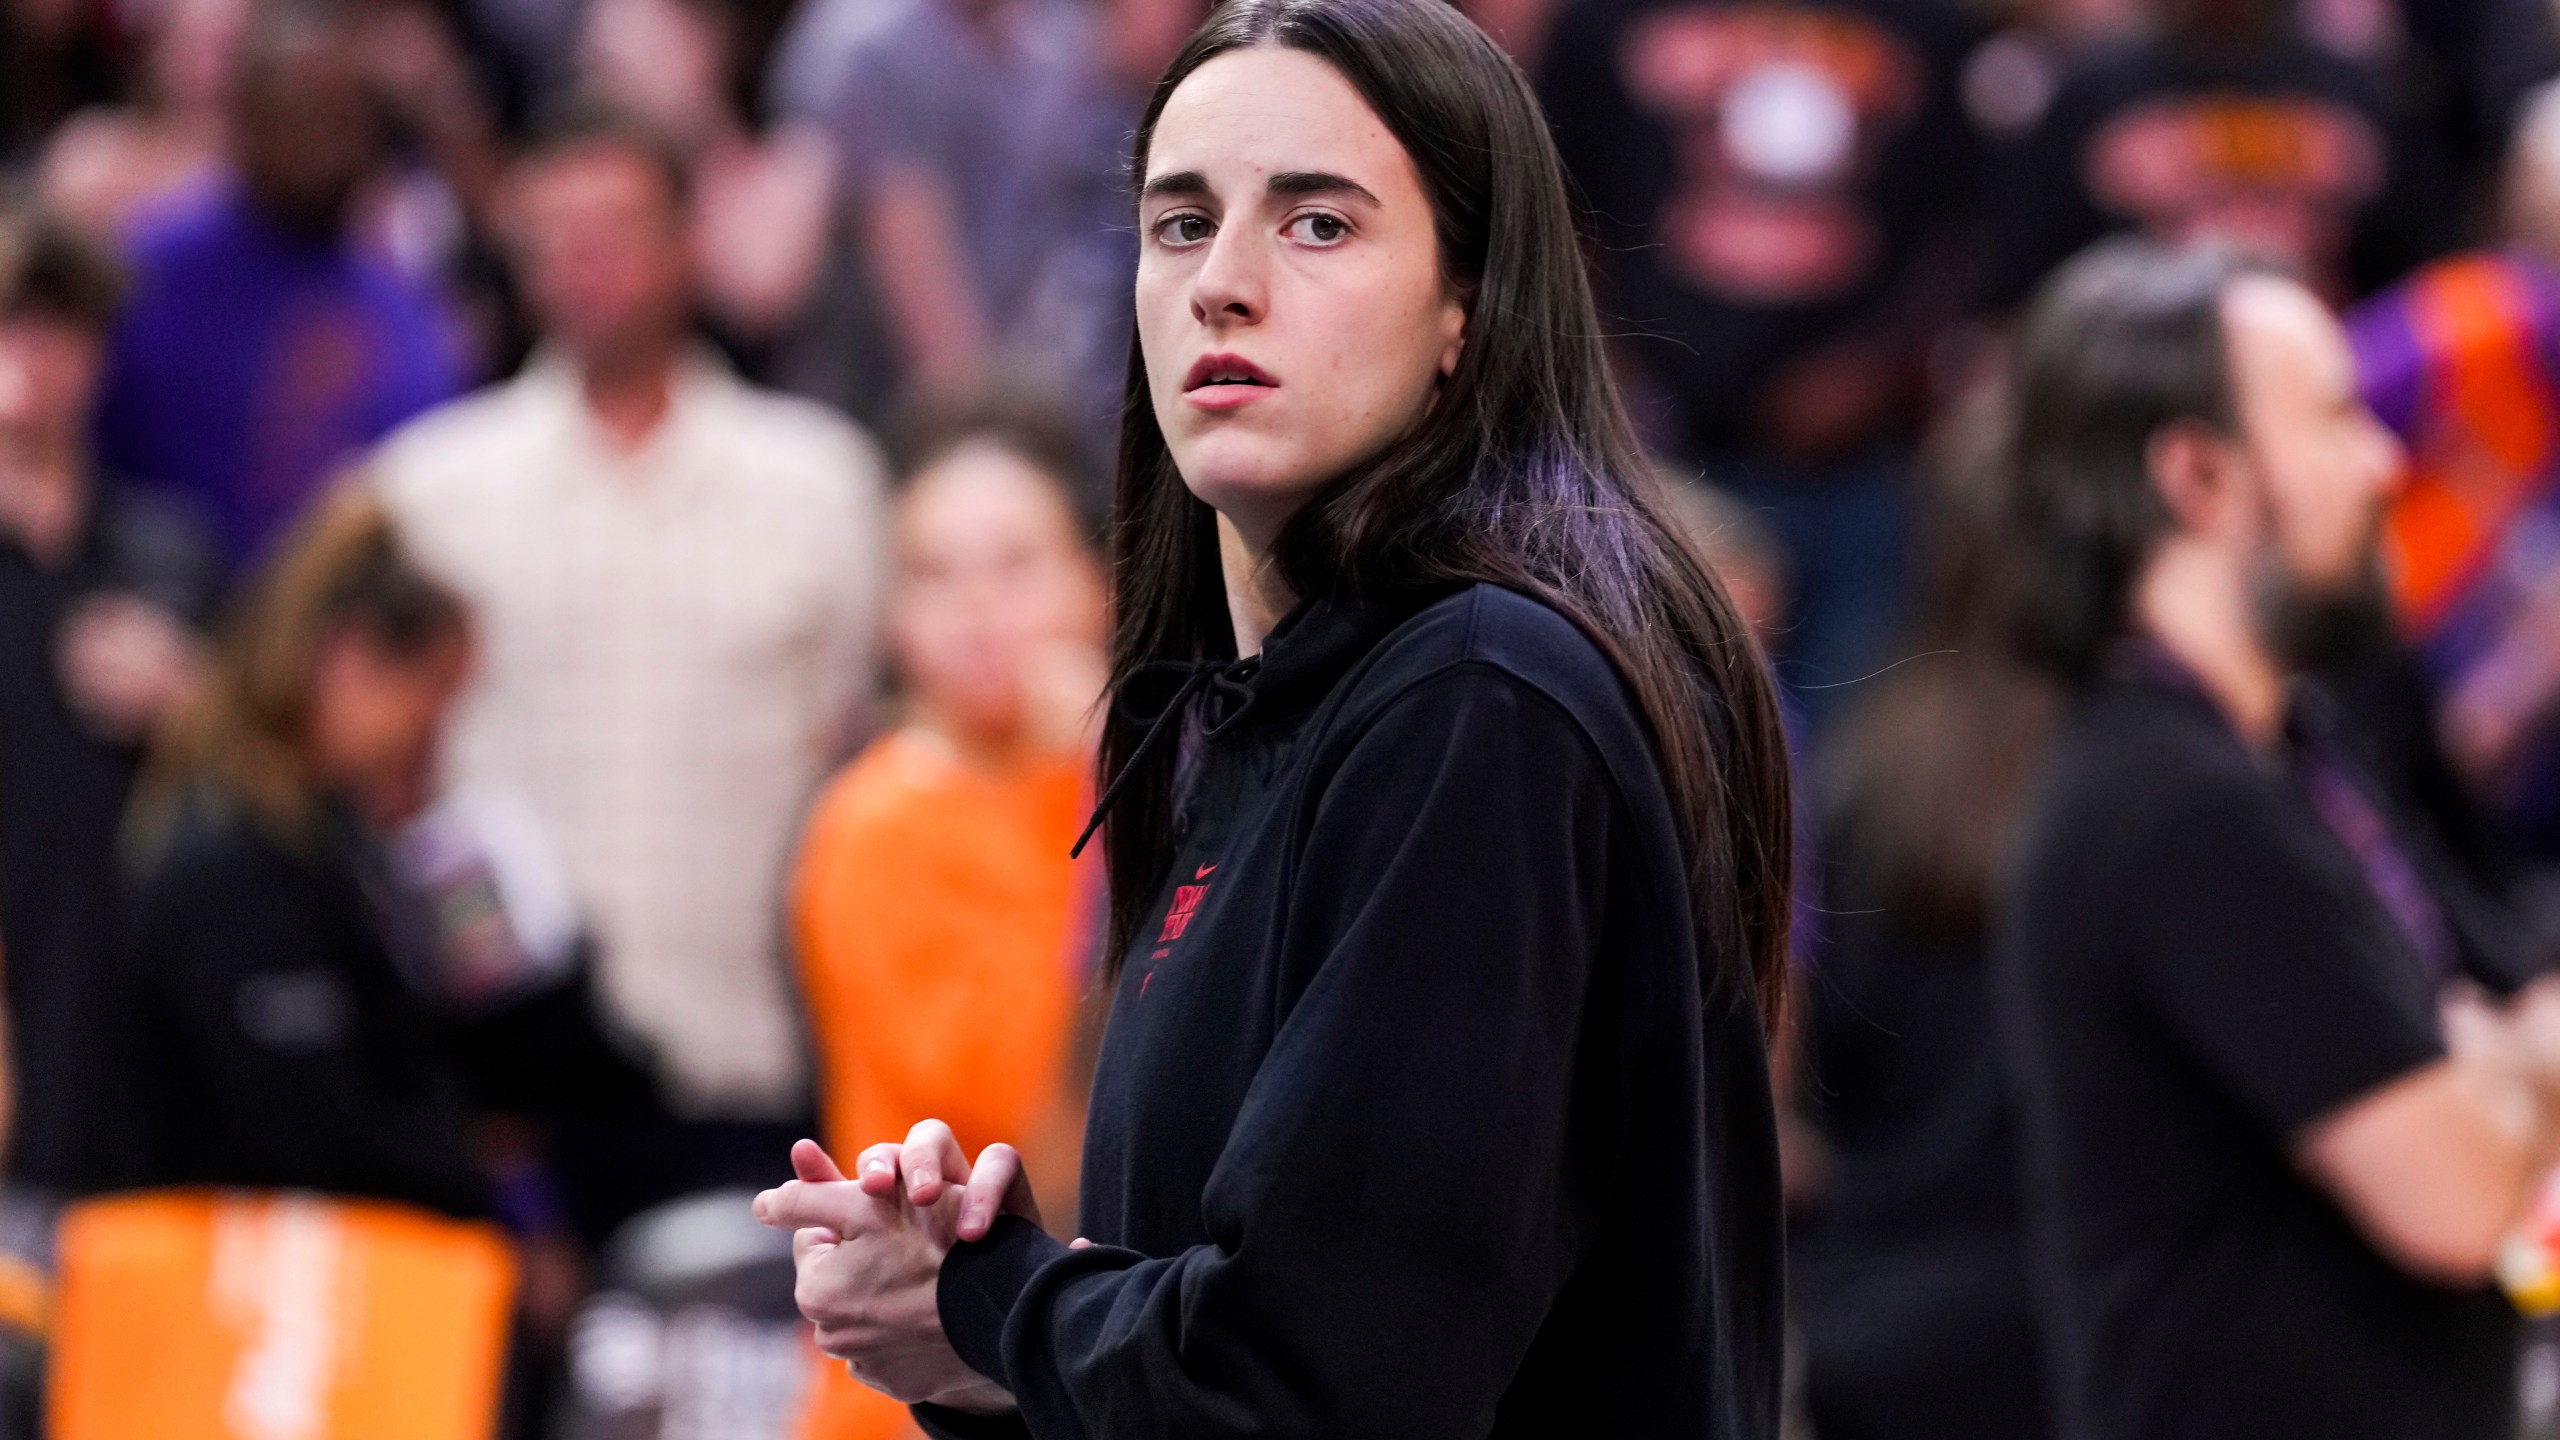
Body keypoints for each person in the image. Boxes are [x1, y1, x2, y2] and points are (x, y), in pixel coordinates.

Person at [754, 0, 1797, 1433]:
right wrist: (997, 1361)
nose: (1222, 285)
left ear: (1467, 311)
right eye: (1181, 224)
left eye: (1318, 226)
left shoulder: (1476, 702)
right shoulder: (1272, 719)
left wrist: (993, 1300)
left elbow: (1316, 1378)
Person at [1996, 238, 2560, 1440]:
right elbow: (2457, 1197)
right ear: (2195, 475)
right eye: (2335, 416)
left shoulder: (2295, 746)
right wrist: (2506, 1066)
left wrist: (2490, 1061)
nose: (2384, 460)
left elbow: (2518, 994)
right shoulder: (2167, 802)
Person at [374, 103, 887, 1237]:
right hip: (498, 1087)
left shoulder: (819, 485)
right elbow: (386, 780)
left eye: (612, 225)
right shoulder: (428, 490)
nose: (581, 258)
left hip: (746, 1060)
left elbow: (857, 754)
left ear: (686, 239)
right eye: (549, 232)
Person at [790, 404, 1108, 1440]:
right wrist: (1102, 771)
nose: (975, 608)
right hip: (932, 1386)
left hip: (1081, 1348)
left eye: (1016, 565)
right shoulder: (875, 826)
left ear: (1101, 585)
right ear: (891, 619)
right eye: (932, 574)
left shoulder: (1145, 775)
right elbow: (1042, 1134)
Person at [1535, 0, 1982, 720]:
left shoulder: (1924, 23)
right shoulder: (1599, 18)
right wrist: (1611, 373)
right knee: (1642, 724)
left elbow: (1964, 233)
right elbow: (1553, 204)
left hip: (1853, 465)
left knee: (1843, 747)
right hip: (1650, 450)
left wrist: (1875, 370)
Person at [89, 487, 484, 1216]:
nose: (433, 743)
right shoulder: (227, 862)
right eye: (427, 703)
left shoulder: (333, 842)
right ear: (348, 661)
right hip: (234, 1289)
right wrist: (474, 1171)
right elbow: (310, 1134)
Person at [1789, 387, 2057, 1440]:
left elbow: (1806, 1080)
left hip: (1867, 1316)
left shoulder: (1855, 757)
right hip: (2056, 1334)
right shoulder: (2142, 782)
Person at [89, 0, 466, 578]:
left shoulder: (410, 317)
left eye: (342, 122)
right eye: (296, 116)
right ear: (241, 119)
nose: (322, 148)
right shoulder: (141, 278)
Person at [0, 205, 218, 1192]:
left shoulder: (167, 552)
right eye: (9, 323)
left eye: (58, 326)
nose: (31, 359)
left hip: (138, 1020)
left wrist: (194, 704)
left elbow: (275, 786)